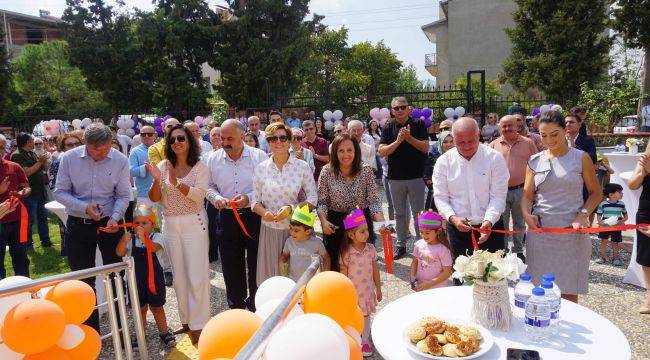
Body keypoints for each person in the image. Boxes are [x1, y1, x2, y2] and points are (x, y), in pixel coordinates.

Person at [54, 123, 131, 332]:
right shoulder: (69, 159)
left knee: (115, 276)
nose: (102, 154)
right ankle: (90, 332)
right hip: (79, 226)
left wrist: (115, 217)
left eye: (106, 149)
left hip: (110, 226)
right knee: (82, 281)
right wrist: (83, 207)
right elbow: (59, 192)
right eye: (97, 150)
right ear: (86, 144)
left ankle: (121, 329)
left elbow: (124, 195)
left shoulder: (120, 160)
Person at [521, 110, 601, 304]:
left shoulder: (580, 158)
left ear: (565, 130)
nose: (549, 140)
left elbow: (596, 193)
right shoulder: (535, 161)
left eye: (554, 134)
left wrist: (583, 215)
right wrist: (526, 214)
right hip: (541, 234)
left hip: (571, 233)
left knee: (568, 292)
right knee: (538, 291)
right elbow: (527, 196)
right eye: (543, 135)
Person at [146, 124, 210, 343]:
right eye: (172, 140)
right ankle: (186, 321)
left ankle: (200, 324)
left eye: (181, 138)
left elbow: (199, 196)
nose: (176, 143)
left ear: (189, 141)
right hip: (170, 223)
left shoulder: (200, 166)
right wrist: (157, 180)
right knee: (179, 276)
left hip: (194, 222)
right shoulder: (163, 165)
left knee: (196, 275)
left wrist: (176, 183)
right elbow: (154, 198)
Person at [206, 119, 268, 310]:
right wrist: (216, 198)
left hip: (253, 215)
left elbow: (266, 185)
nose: (225, 143)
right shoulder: (212, 159)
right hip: (226, 217)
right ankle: (237, 307)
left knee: (256, 261)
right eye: (222, 138)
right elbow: (208, 186)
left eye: (230, 138)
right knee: (231, 264)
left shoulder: (259, 157)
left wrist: (248, 198)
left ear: (242, 136)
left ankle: (257, 304)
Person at [433, 117, 509, 261]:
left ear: (478, 134)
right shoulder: (443, 162)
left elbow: (498, 196)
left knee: (494, 277)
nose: (467, 146)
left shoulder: (494, 158)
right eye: (461, 142)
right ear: (453, 139)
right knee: (462, 278)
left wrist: (489, 220)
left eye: (471, 141)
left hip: (491, 227)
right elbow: (440, 197)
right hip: (458, 228)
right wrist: (453, 218)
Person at [252, 122, 317, 285]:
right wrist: (264, 213)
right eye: (273, 138)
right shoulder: (261, 168)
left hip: (296, 231)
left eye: (282, 137)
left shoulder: (302, 166)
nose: (278, 142)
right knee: (273, 280)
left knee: (297, 279)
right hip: (270, 232)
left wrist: (292, 209)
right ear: (268, 142)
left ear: (289, 140)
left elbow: (313, 198)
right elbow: (255, 201)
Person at [318, 134, 384, 271]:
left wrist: (381, 222)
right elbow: (322, 202)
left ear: (356, 151)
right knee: (336, 267)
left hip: (360, 221)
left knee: (361, 266)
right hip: (335, 223)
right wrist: (323, 221)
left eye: (349, 150)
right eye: (341, 150)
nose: (346, 154)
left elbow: (373, 200)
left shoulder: (365, 170)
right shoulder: (326, 171)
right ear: (335, 152)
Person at [115, 205, 175, 348]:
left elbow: (154, 248)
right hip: (135, 282)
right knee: (140, 309)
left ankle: (164, 331)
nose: (140, 226)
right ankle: (140, 333)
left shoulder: (158, 237)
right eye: (137, 223)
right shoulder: (131, 240)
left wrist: (144, 238)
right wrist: (123, 241)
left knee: (157, 307)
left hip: (155, 281)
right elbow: (119, 253)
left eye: (144, 223)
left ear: (153, 225)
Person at [378, 96, 430, 259]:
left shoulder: (419, 124)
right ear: (392, 111)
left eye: (402, 107)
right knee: (399, 214)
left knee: (418, 213)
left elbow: (425, 148)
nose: (400, 110)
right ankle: (401, 245)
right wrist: (399, 140)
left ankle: (421, 245)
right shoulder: (388, 127)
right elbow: (382, 151)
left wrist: (409, 138)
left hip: (415, 177)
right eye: (396, 108)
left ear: (409, 108)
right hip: (395, 178)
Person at [489, 115, 538, 259]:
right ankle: (502, 251)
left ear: (517, 126)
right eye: (504, 126)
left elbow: (536, 166)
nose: (507, 128)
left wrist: (534, 190)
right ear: (500, 128)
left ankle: (518, 251)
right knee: (501, 223)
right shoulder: (493, 145)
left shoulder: (528, 143)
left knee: (519, 222)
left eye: (510, 125)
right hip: (500, 192)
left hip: (522, 190)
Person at [339, 209, 382, 357]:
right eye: (362, 231)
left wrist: (379, 288)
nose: (366, 234)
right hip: (353, 292)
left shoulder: (371, 249)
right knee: (353, 315)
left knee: (366, 316)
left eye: (367, 230)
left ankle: (365, 340)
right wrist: (343, 293)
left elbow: (376, 271)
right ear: (351, 235)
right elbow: (343, 275)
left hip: (367, 291)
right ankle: (353, 337)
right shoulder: (347, 253)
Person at [11, 133, 51, 248]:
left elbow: (44, 169)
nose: (34, 142)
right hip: (29, 193)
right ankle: (27, 244)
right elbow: (26, 172)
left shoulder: (32, 153)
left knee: (43, 217)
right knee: (28, 220)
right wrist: (39, 162)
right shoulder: (17, 155)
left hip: (40, 191)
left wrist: (44, 161)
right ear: (27, 142)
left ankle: (46, 241)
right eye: (32, 140)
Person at [0, 134, 31, 278]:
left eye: (1, 147)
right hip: (1, 222)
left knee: (21, 258)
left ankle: (24, 289)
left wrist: (22, 193)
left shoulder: (14, 166)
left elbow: (27, 187)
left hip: (17, 219)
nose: (0, 150)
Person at [279, 205, 330, 281]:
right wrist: (283, 271)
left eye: (296, 230)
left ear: (308, 231)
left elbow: (326, 259)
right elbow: (284, 256)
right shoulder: (289, 241)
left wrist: (324, 276)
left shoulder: (317, 243)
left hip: (311, 282)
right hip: (294, 281)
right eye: (291, 228)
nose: (292, 232)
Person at [627, 145, 650, 314]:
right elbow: (632, 185)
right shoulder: (645, 160)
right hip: (646, 211)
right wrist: (643, 171)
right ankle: (649, 295)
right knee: (646, 256)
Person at [409, 210, 453, 291]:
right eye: (421, 232)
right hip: (421, 286)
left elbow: (447, 273)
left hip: (437, 289)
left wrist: (429, 284)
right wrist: (412, 277)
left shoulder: (443, 249)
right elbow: (415, 262)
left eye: (427, 233)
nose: (423, 235)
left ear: (438, 231)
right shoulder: (418, 244)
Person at [595, 183, 627, 266]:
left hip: (617, 226)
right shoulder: (603, 204)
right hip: (605, 225)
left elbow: (626, 216)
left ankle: (616, 257)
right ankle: (602, 257)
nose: (622, 194)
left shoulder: (622, 204)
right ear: (611, 195)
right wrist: (601, 222)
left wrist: (621, 221)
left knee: (615, 242)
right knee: (603, 241)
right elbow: (599, 214)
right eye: (619, 192)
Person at [423, 131, 454, 211]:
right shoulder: (432, 157)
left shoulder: (460, 157)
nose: (449, 145)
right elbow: (427, 176)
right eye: (445, 142)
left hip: (455, 199)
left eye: (451, 141)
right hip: (437, 198)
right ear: (440, 143)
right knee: (435, 222)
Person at [129, 125, 158, 207]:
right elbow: (131, 171)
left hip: (162, 193)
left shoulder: (161, 148)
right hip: (144, 194)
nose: (146, 136)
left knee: (162, 220)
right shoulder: (135, 151)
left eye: (149, 134)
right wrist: (144, 167)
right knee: (145, 219)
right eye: (143, 134)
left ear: (155, 135)